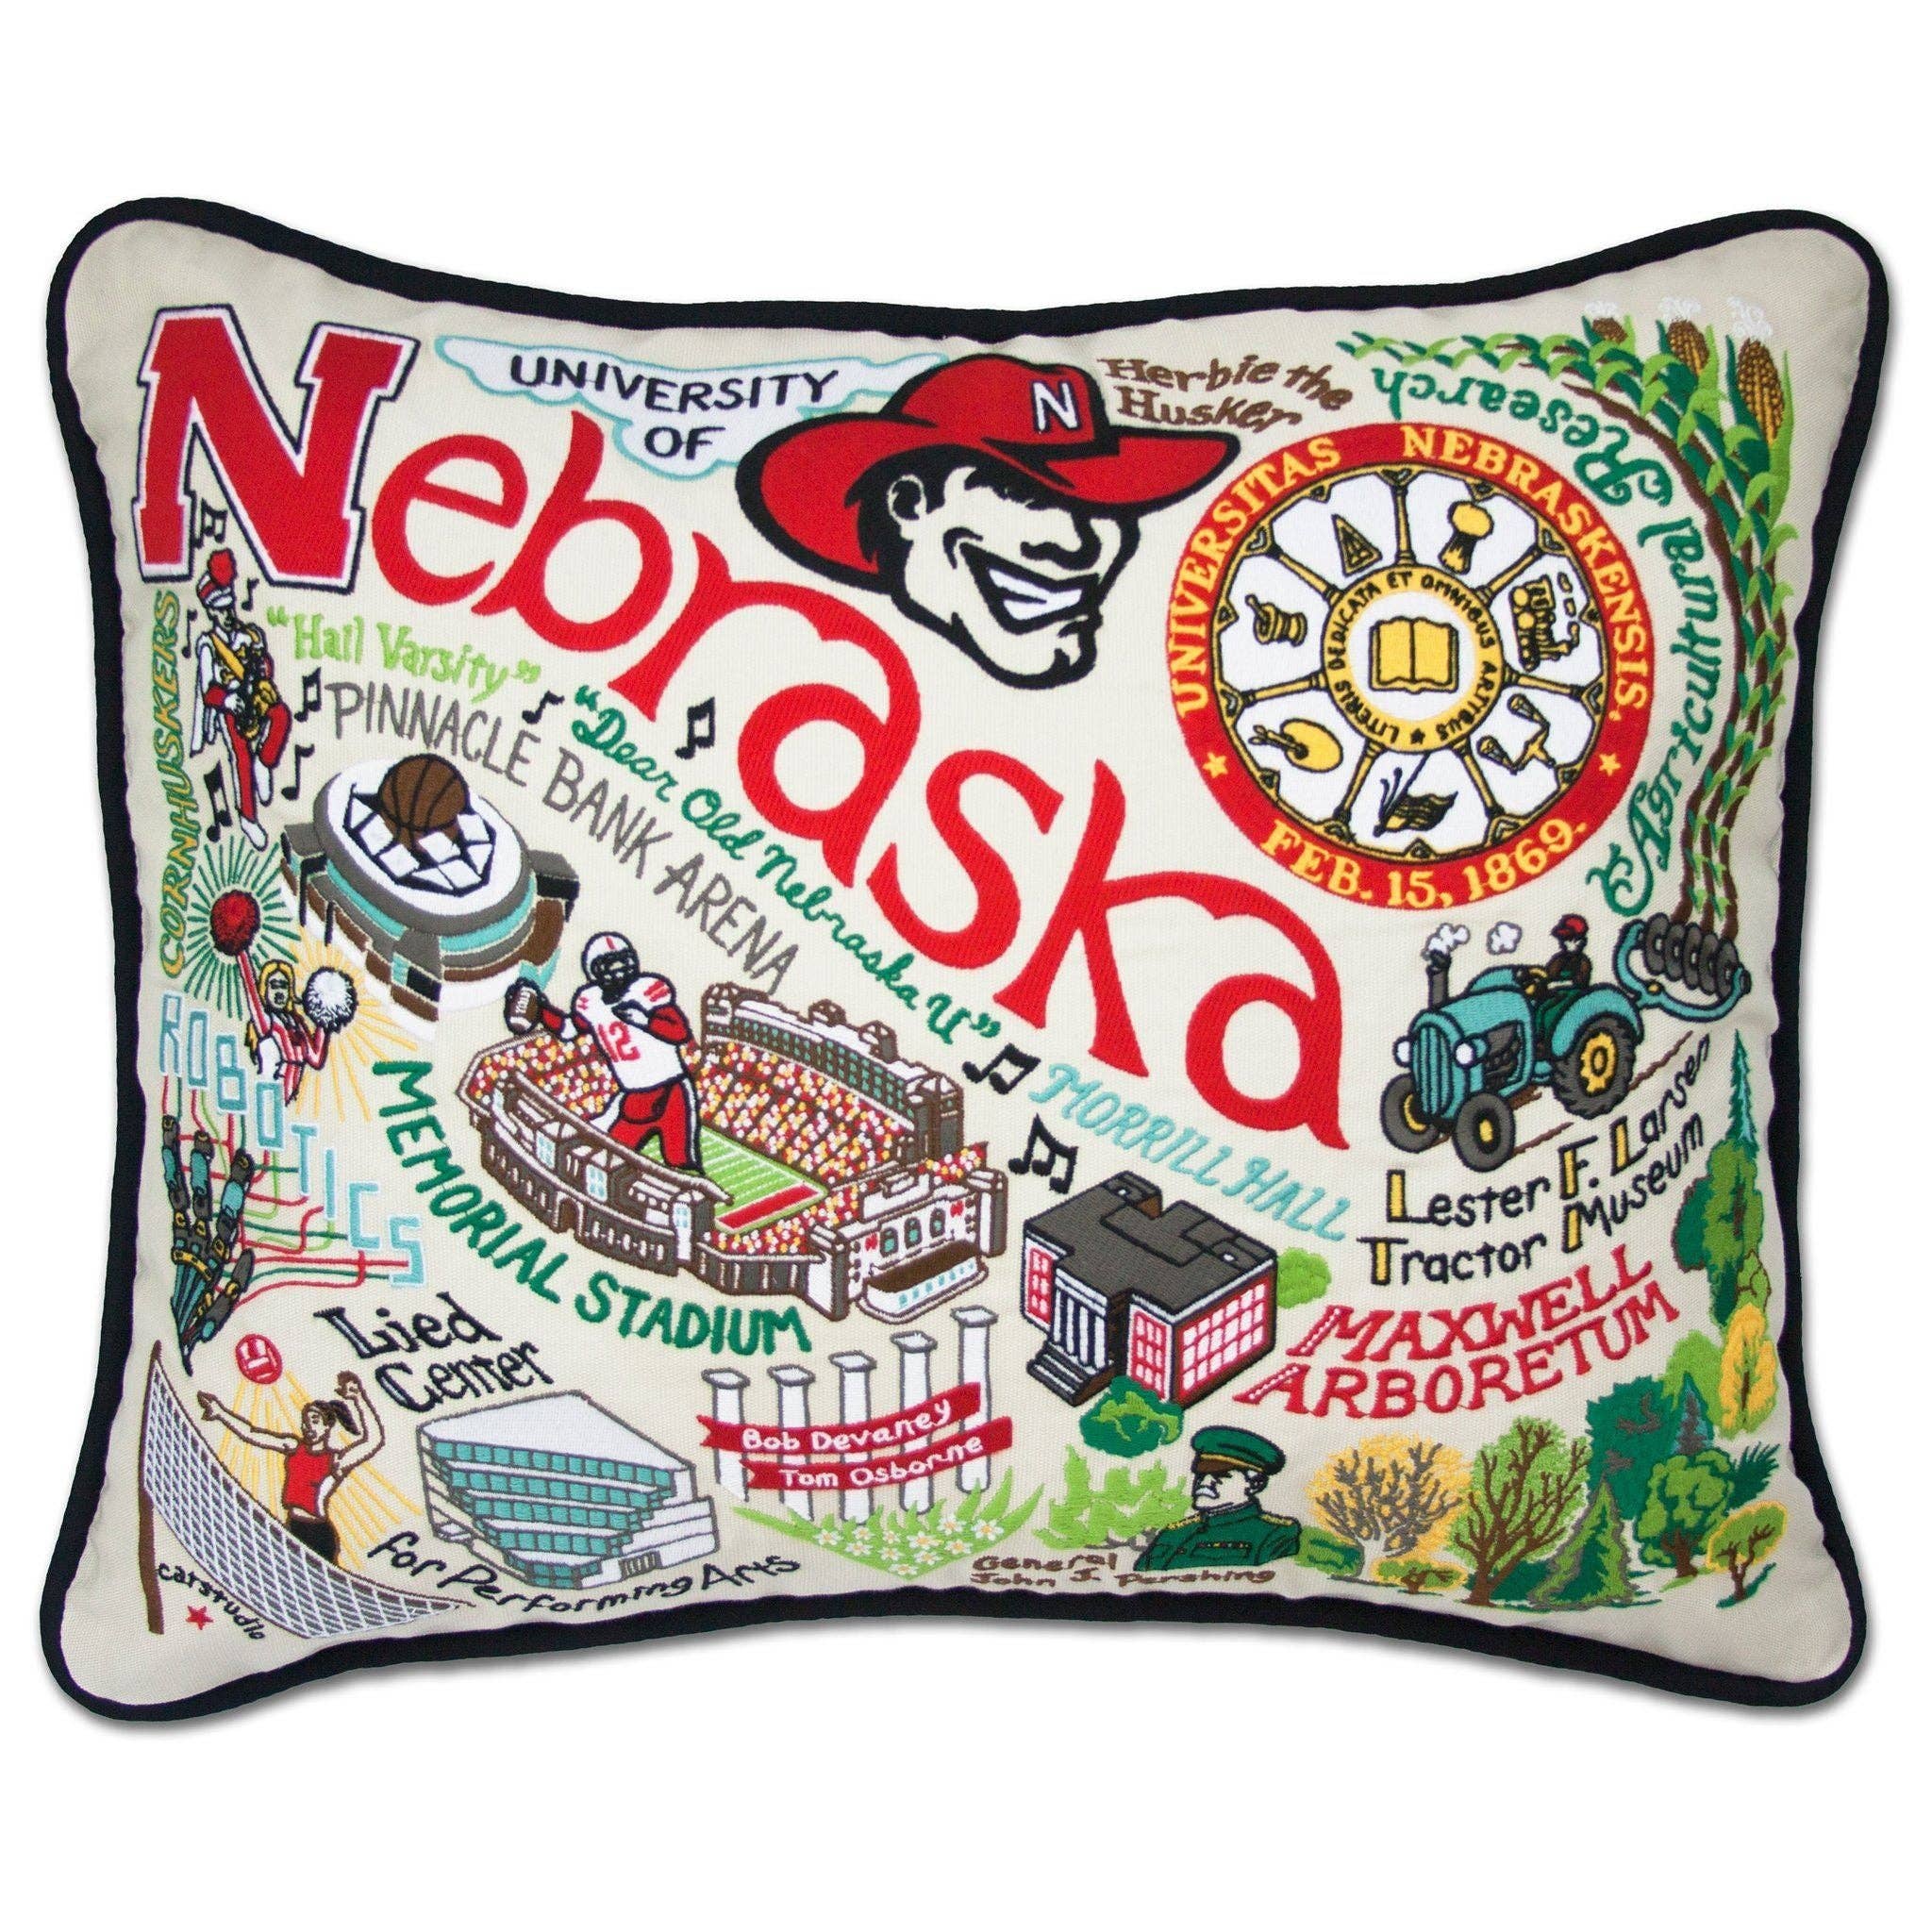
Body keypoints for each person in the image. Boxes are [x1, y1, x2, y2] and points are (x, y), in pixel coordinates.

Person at [738, 356, 1236, 691]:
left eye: (1109, 507)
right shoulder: (787, 655)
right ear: (909, 504)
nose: (1081, 546)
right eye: (1027, 497)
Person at [503, 932, 706, 1173]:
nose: (619, 971)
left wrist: (645, 1020)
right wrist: (541, 1010)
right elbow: (568, 1029)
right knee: (608, 1159)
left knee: (681, 1164)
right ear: (595, 971)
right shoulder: (591, 1002)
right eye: (611, 965)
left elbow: (680, 1032)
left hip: (672, 1091)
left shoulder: (646, 991)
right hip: (634, 1098)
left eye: (623, 961)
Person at [197, 1373, 382, 1566]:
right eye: (305, 1421)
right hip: (292, 1526)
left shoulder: (335, 1461)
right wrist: (221, 1413)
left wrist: (359, 1398)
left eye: (315, 1420)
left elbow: (373, 1441)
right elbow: (251, 1434)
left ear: (327, 1427)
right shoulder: (293, 1446)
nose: (308, 1426)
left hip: (317, 1533)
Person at [191, 548, 292, 848]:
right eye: (221, 610)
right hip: (231, 706)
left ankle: (267, 761)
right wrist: (228, 701)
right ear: (211, 611)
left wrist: (262, 667)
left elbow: (266, 666)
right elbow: (209, 690)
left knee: (281, 715)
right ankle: (248, 819)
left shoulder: (249, 635)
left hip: (254, 695)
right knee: (241, 757)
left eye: (230, 607)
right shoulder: (208, 645)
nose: (228, 614)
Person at [1135, 1425, 1302, 1572]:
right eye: (1201, 1475)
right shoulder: (1174, 1532)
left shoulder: (1276, 1533)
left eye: (1220, 1476)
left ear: (1254, 1484)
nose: (1204, 1483)